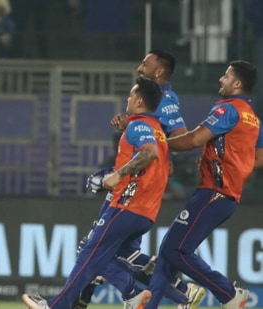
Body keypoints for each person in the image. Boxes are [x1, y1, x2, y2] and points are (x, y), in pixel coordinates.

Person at [22, 76, 168, 309]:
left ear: (140, 101)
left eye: (130, 96)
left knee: (88, 254)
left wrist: (119, 174)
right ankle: (137, 293)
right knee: (109, 257)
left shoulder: (139, 125)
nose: (127, 99)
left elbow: (149, 153)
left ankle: (57, 306)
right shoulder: (157, 129)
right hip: (147, 211)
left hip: (126, 206)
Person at [76, 50, 205, 309]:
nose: (139, 67)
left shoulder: (166, 99)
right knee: (119, 253)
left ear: (159, 71)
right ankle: (180, 291)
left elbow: (181, 136)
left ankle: (146, 293)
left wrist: (152, 140)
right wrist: (134, 127)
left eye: (145, 63)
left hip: (136, 187)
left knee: (92, 249)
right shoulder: (149, 103)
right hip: (132, 183)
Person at [143, 60, 263, 309]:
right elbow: (259, 158)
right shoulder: (253, 118)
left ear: (237, 83)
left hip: (215, 193)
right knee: (168, 250)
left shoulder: (227, 109)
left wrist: (158, 143)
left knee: (174, 250)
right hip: (225, 196)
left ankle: (228, 294)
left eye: (227, 76)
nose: (222, 79)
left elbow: (194, 139)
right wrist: (227, 161)